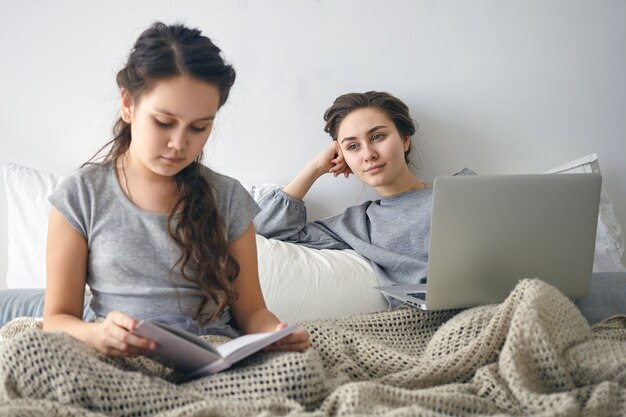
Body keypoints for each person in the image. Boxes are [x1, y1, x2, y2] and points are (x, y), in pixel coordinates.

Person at [43, 22, 309, 357]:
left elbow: (253, 313)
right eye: (164, 122)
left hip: (215, 356)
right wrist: (97, 335)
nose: (179, 144)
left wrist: (276, 334)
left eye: (199, 127)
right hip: (121, 357)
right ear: (128, 104)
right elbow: (57, 319)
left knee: (300, 368)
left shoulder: (226, 197)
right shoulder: (80, 195)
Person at [254, 91, 472, 301]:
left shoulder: (464, 188)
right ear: (342, 156)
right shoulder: (356, 225)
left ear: (405, 140)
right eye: (352, 146)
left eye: (378, 136)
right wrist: (316, 167)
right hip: (433, 320)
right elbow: (264, 229)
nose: (368, 154)